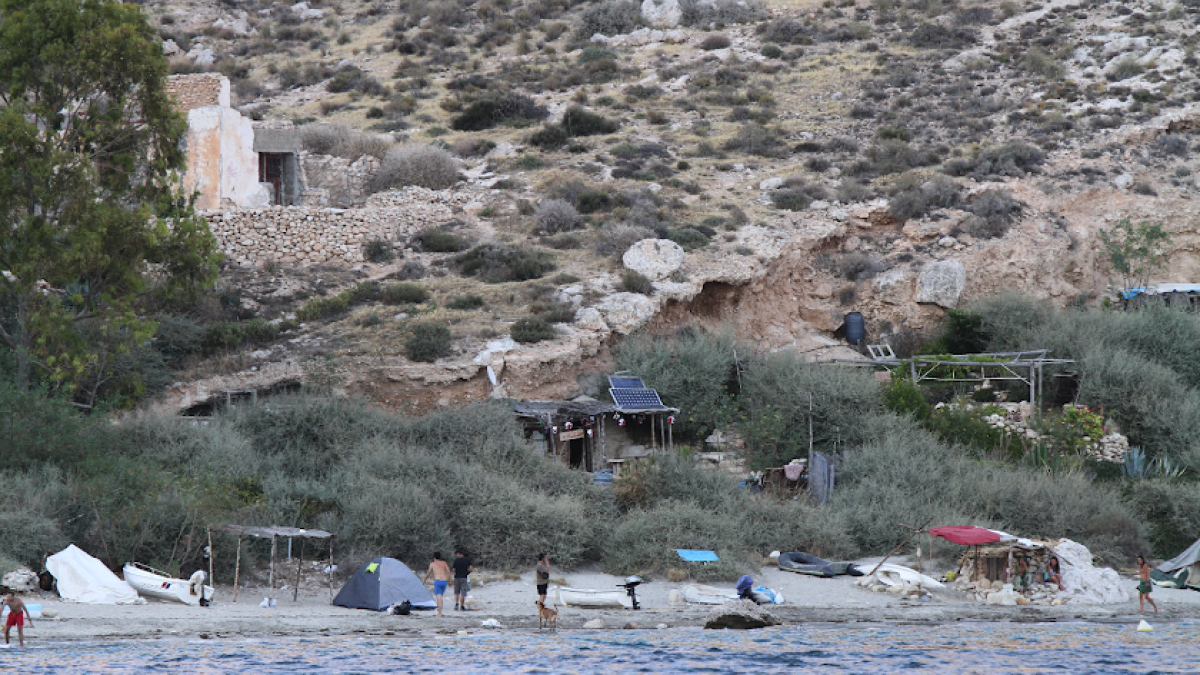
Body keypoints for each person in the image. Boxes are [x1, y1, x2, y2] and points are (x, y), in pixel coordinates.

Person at [423, 552, 452, 617]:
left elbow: (428, 573)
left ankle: (439, 613)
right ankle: (440, 612)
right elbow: (449, 572)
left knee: (439, 598)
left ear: (434, 557)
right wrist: (450, 581)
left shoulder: (432, 564)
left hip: (438, 581)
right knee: (441, 596)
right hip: (444, 580)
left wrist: (424, 580)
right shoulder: (444, 563)